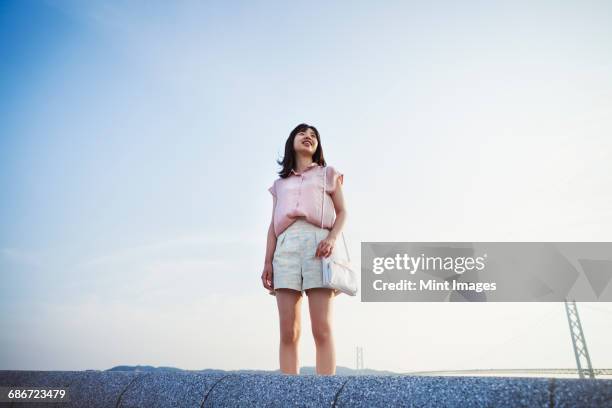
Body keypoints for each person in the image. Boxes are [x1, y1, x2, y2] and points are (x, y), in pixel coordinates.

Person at [261, 123, 347, 376]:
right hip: (285, 248)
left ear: (317, 145)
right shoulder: (279, 184)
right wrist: (267, 262)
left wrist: (331, 239)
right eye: (302, 133)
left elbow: (343, 212)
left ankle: (325, 393)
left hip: (318, 245)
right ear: (292, 141)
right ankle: (290, 396)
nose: (308, 137)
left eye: (313, 136)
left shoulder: (328, 173)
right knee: (288, 330)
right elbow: (272, 225)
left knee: (321, 328)